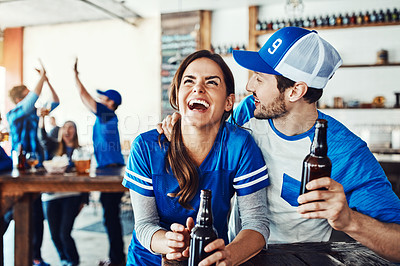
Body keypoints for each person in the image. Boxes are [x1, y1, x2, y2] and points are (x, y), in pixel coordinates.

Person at [159, 27, 400, 263]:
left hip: (299, 260)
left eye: (260, 79)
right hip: (238, 255)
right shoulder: (248, 113)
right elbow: (208, 128)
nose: (250, 86)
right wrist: (184, 123)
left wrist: (350, 220)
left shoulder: (345, 152)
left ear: (296, 90)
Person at [123, 50, 270, 266]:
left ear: (229, 102)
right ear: (177, 95)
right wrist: (171, 243)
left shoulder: (239, 145)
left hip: (211, 259)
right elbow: (145, 225)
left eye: (211, 83)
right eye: (189, 81)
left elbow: (256, 224)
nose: (198, 88)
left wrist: (228, 256)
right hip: (148, 260)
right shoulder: (146, 147)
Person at [73, 58, 126, 266]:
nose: (101, 100)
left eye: (104, 98)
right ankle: (117, 258)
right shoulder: (104, 116)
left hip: (111, 172)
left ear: (111, 103)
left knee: (111, 219)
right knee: (110, 218)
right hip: (109, 170)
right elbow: (87, 99)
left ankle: (117, 260)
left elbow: (85, 97)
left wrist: (76, 76)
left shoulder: (108, 113)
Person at [6, 64, 59, 266]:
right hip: (20, 172)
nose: (34, 98)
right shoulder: (15, 114)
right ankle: (25, 258)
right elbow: (30, 104)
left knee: (37, 218)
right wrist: (42, 76)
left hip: (36, 171)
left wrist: (46, 80)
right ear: (20, 99)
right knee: (23, 215)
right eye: (29, 95)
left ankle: (35, 257)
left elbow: (55, 101)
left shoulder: (35, 113)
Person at [38, 111, 84, 266]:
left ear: (75, 132)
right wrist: (42, 118)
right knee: (54, 235)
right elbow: (42, 136)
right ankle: (64, 259)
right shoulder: (54, 147)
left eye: (71, 128)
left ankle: (74, 261)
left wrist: (84, 199)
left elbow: (86, 177)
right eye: (65, 127)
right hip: (51, 195)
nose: (68, 130)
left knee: (65, 233)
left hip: (72, 196)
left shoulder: (81, 151)